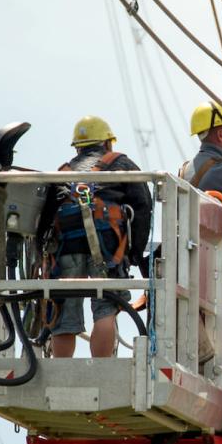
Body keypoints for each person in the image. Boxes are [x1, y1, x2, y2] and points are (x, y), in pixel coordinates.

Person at [45, 115, 152, 358]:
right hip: (107, 247)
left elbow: (46, 217)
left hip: (66, 246)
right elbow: (143, 206)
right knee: (106, 306)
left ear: (77, 148)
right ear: (108, 143)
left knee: (64, 310)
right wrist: (135, 254)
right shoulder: (122, 165)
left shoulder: (64, 172)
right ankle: (101, 365)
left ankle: (61, 369)